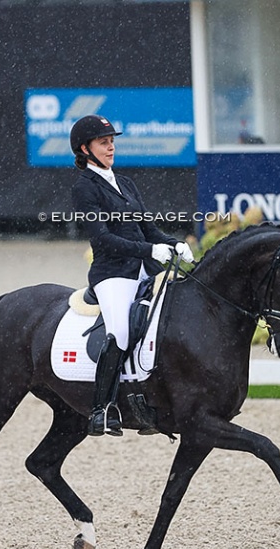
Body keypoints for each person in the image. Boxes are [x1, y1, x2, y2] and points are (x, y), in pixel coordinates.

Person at [70, 114, 194, 437]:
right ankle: (101, 410)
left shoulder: (125, 184)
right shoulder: (85, 189)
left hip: (142, 272)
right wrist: (148, 252)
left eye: (112, 141)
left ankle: (154, 401)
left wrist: (174, 243)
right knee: (121, 334)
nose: (111, 147)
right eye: (103, 142)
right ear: (85, 149)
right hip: (112, 275)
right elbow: (102, 240)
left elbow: (148, 229)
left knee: (167, 322)